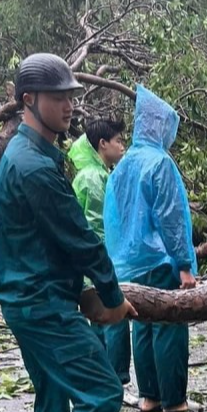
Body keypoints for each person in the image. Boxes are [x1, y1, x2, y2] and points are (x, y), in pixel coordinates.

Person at [0, 53, 135, 412]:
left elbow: (54, 243)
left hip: (32, 295)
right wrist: (112, 298)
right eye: (58, 97)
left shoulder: (34, 154)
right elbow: (80, 241)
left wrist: (85, 294)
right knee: (102, 390)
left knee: (53, 391)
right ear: (29, 100)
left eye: (71, 96)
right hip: (39, 302)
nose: (69, 105)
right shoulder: (32, 166)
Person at [105, 85, 199, 412]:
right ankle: (174, 400)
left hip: (128, 261)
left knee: (141, 325)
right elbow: (172, 218)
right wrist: (185, 264)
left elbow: (115, 219)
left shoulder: (123, 165)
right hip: (161, 260)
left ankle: (149, 398)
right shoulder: (160, 163)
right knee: (169, 323)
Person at [68, 119, 133, 392]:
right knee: (110, 317)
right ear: (102, 144)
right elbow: (97, 226)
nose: (122, 146)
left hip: (92, 262)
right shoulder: (94, 178)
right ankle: (112, 380)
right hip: (98, 262)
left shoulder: (97, 173)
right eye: (118, 141)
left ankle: (106, 379)